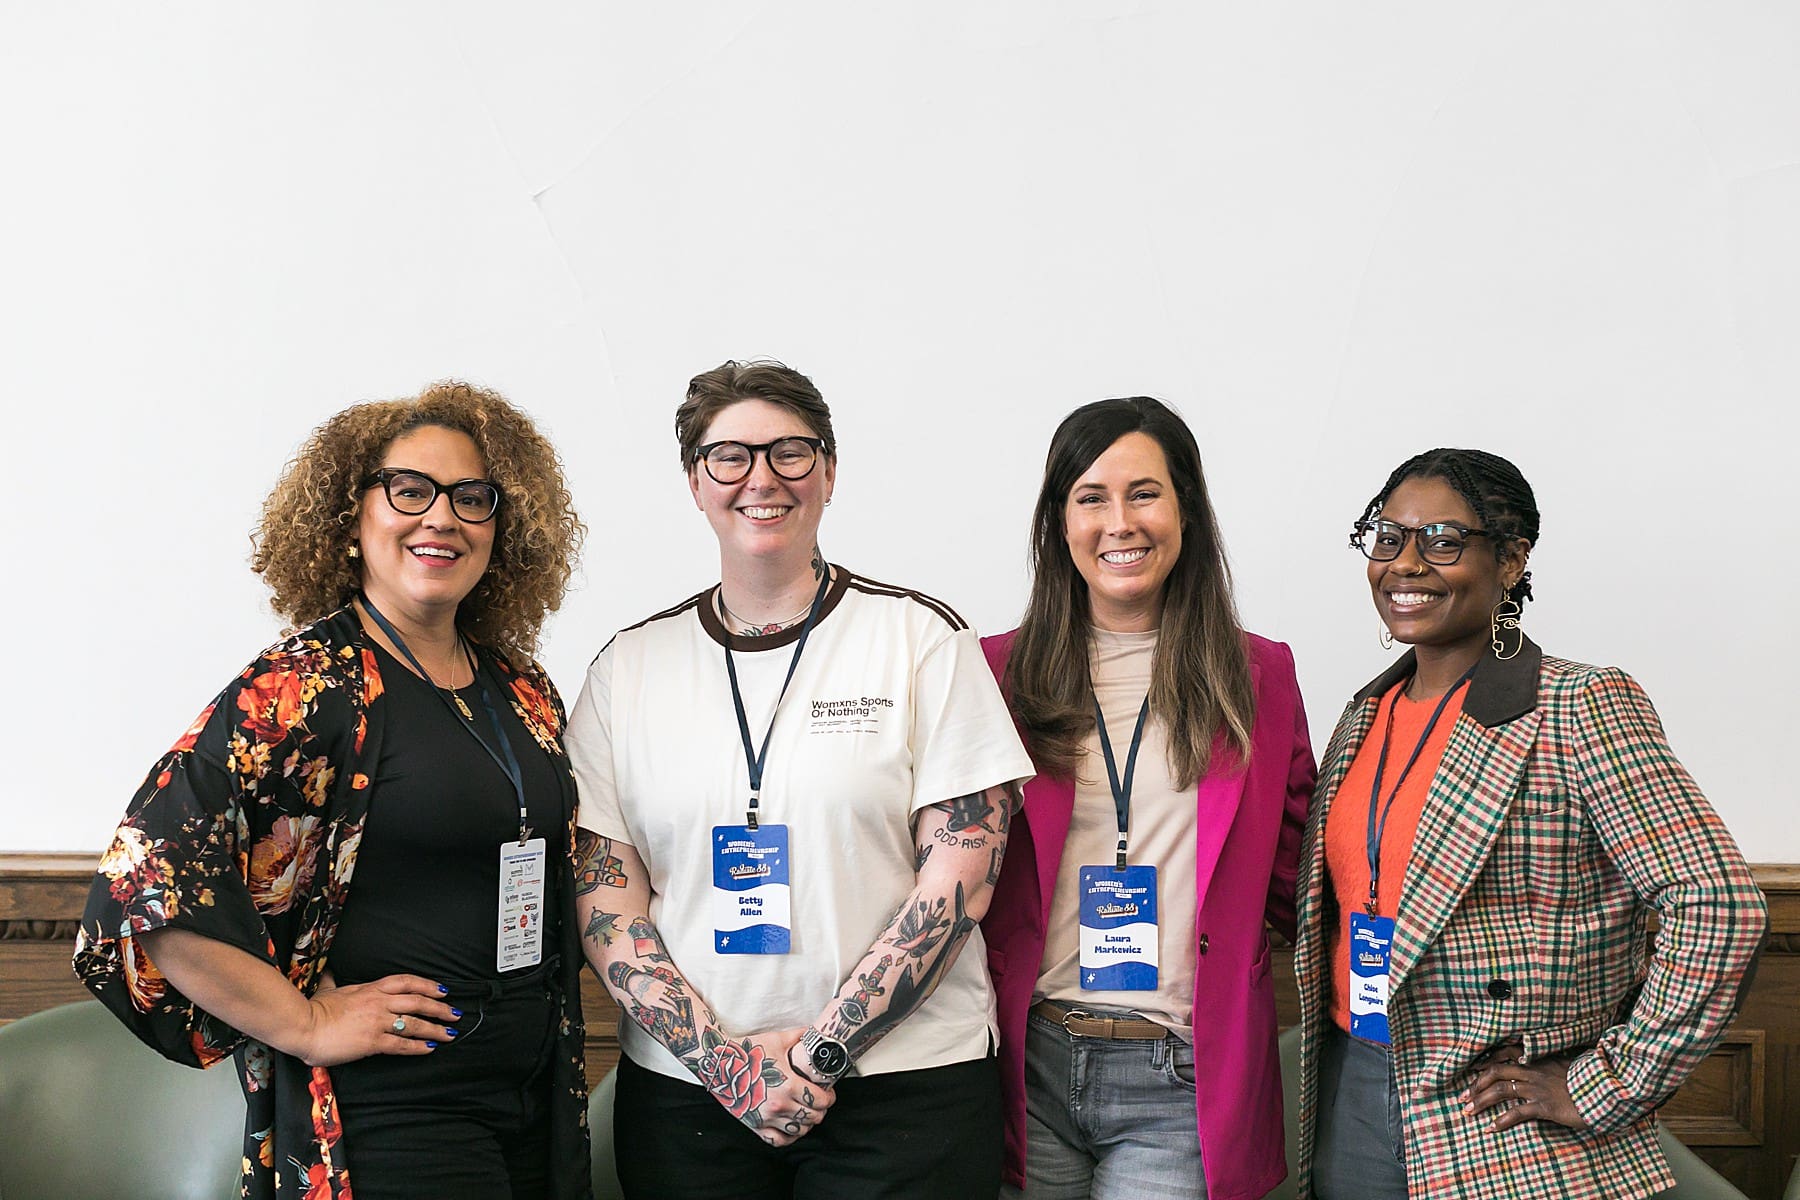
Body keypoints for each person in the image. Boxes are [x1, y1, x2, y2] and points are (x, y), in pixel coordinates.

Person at [74, 382, 591, 1200]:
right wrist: (306, 1022)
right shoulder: (304, 687)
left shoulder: (520, 687)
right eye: (410, 490)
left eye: (472, 497)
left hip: (533, 1094)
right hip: (397, 1109)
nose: (442, 518)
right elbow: (145, 878)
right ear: (351, 518)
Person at [564, 360, 1034, 1200]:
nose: (762, 478)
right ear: (695, 482)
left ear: (829, 471)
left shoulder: (920, 639)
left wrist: (822, 1053)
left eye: (791, 451)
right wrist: (727, 1065)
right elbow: (607, 901)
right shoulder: (627, 669)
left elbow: (961, 877)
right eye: (729, 456)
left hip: (905, 1093)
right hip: (690, 1101)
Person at [1293, 448, 1767, 1200]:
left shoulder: (1577, 704)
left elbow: (1721, 907)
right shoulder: (1363, 716)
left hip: (1501, 1119)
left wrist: (1607, 1081)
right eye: (1388, 538)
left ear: (1511, 560)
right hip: (1352, 1078)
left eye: (1442, 541)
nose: (1405, 563)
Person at [979, 396, 1317, 1200]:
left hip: (1183, 1077)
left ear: (1186, 509)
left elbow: (1298, 873)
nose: (1119, 523)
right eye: (1091, 498)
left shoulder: (1260, 677)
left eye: (1144, 494)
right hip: (1028, 1065)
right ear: (1060, 522)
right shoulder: (993, 675)